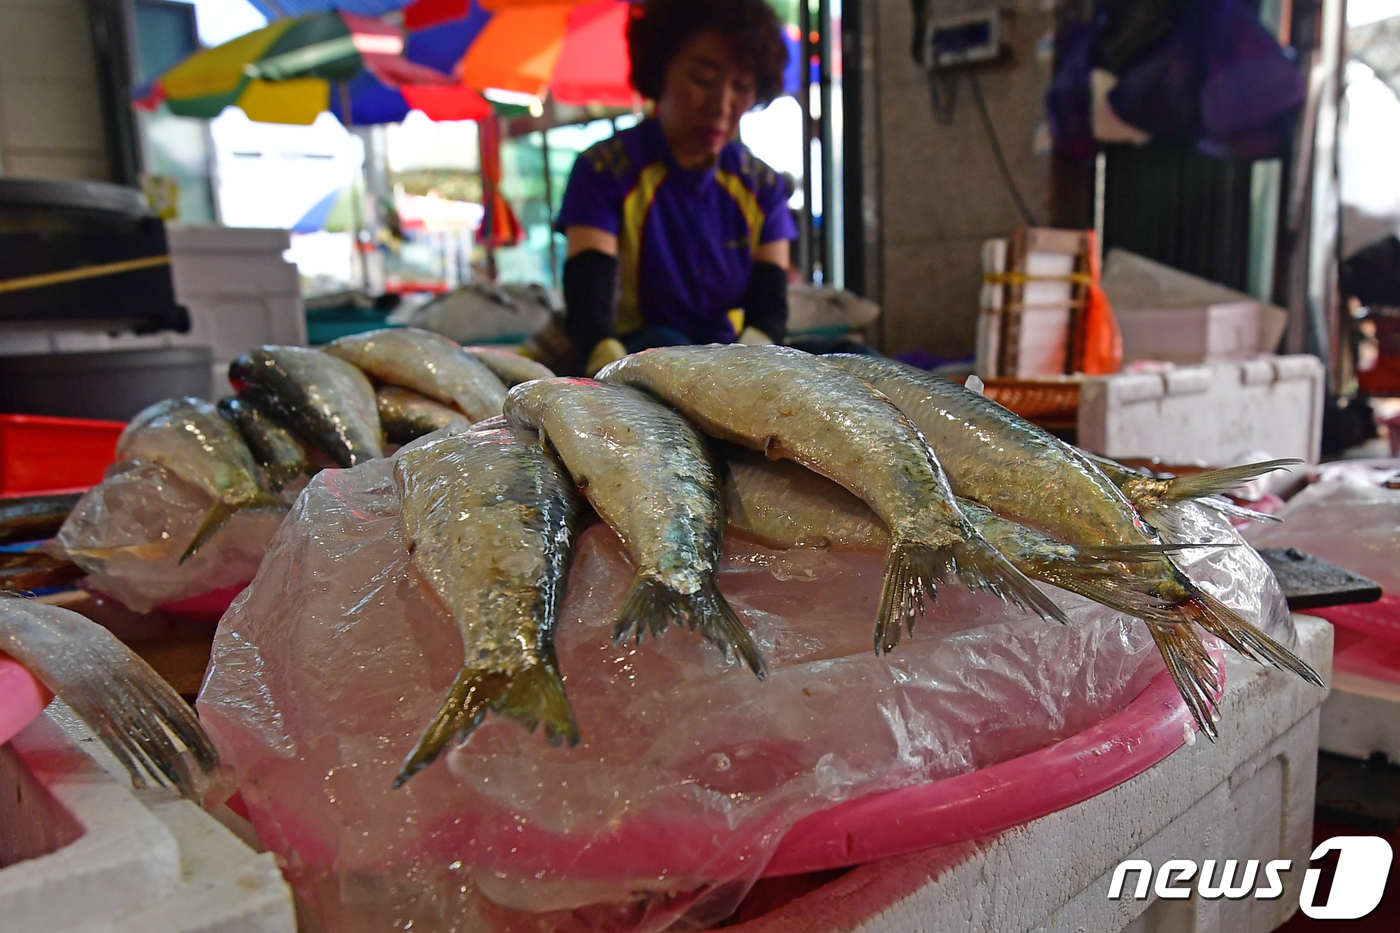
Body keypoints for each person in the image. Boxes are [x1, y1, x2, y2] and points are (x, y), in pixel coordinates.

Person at [556, 0, 796, 376]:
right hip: (638, 355)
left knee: (850, 355)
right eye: (702, 79)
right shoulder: (604, 170)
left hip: (730, 357)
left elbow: (770, 313)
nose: (722, 105)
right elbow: (590, 313)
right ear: (660, 70)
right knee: (668, 345)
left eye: (742, 87)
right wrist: (607, 374)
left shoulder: (762, 185)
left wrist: (744, 372)